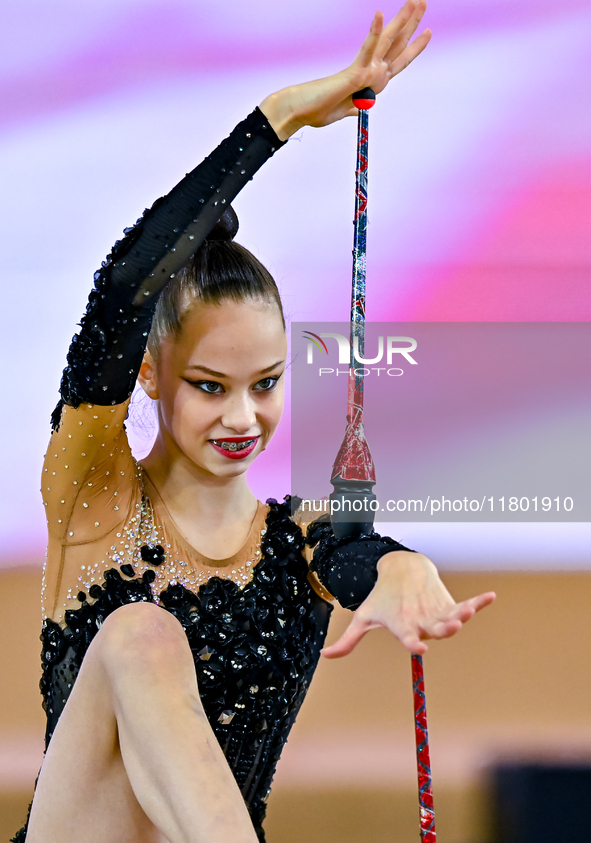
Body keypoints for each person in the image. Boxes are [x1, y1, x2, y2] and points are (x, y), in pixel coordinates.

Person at [13, 3, 495, 841]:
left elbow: (354, 552)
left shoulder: (298, 536)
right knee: (138, 636)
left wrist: (400, 566)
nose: (242, 416)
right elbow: (125, 285)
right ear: (151, 376)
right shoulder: (93, 491)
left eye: (266, 382)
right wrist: (278, 121)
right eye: (208, 385)